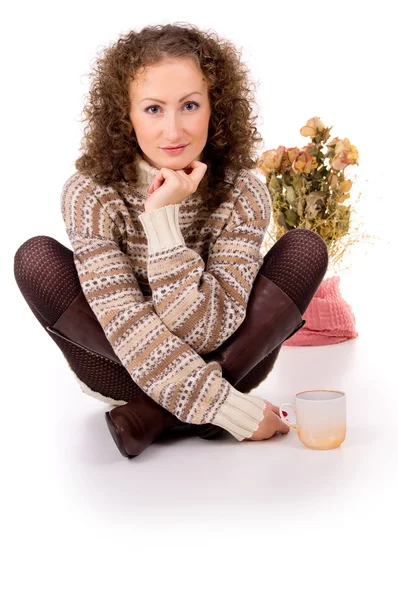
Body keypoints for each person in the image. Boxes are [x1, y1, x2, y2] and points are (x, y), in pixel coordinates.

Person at [13, 23, 328, 458]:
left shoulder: (243, 193)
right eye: (154, 109)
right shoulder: (89, 194)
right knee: (36, 259)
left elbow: (204, 333)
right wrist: (230, 408)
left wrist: (163, 223)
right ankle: (188, 408)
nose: (174, 131)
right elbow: (123, 321)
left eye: (190, 105)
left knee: (305, 249)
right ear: (125, 115)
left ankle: (150, 416)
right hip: (122, 365)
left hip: (230, 355)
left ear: (215, 108)